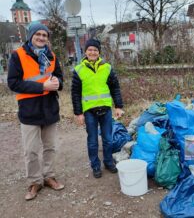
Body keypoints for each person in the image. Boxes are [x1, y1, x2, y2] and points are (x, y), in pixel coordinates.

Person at [7, 22, 64, 201]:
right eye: (38, 34)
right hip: (29, 110)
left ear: (47, 38)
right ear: (31, 36)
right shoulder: (18, 56)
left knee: (50, 147)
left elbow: (60, 78)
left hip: (49, 108)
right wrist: (42, 86)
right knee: (31, 150)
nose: (41, 37)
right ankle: (34, 181)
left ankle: (48, 176)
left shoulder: (51, 56)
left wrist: (57, 83)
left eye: (44, 35)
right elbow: (13, 83)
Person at [71, 38, 124, 178]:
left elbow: (115, 88)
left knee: (107, 139)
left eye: (95, 50)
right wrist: (78, 113)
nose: (92, 52)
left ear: (99, 52)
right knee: (93, 141)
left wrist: (118, 106)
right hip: (89, 111)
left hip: (106, 109)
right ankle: (95, 165)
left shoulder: (107, 67)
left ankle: (108, 162)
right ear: (85, 51)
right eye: (90, 50)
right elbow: (75, 93)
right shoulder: (79, 70)